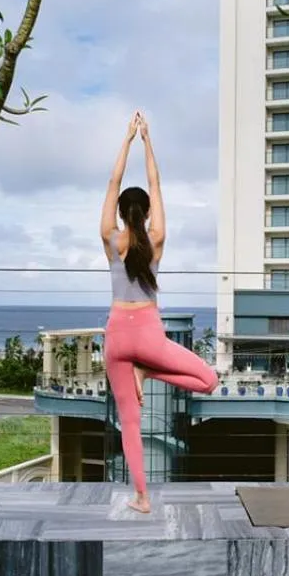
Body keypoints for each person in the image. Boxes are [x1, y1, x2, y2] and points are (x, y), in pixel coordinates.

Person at [100, 110, 218, 514]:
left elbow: (113, 182)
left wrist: (127, 139)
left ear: (120, 213)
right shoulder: (158, 239)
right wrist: (148, 140)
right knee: (208, 380)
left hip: (117, 336)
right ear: (147, 213)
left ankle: (142, 498)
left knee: (129, 423)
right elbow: (155, 183)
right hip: (149, 335)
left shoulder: (109, 239)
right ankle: (148, 372)